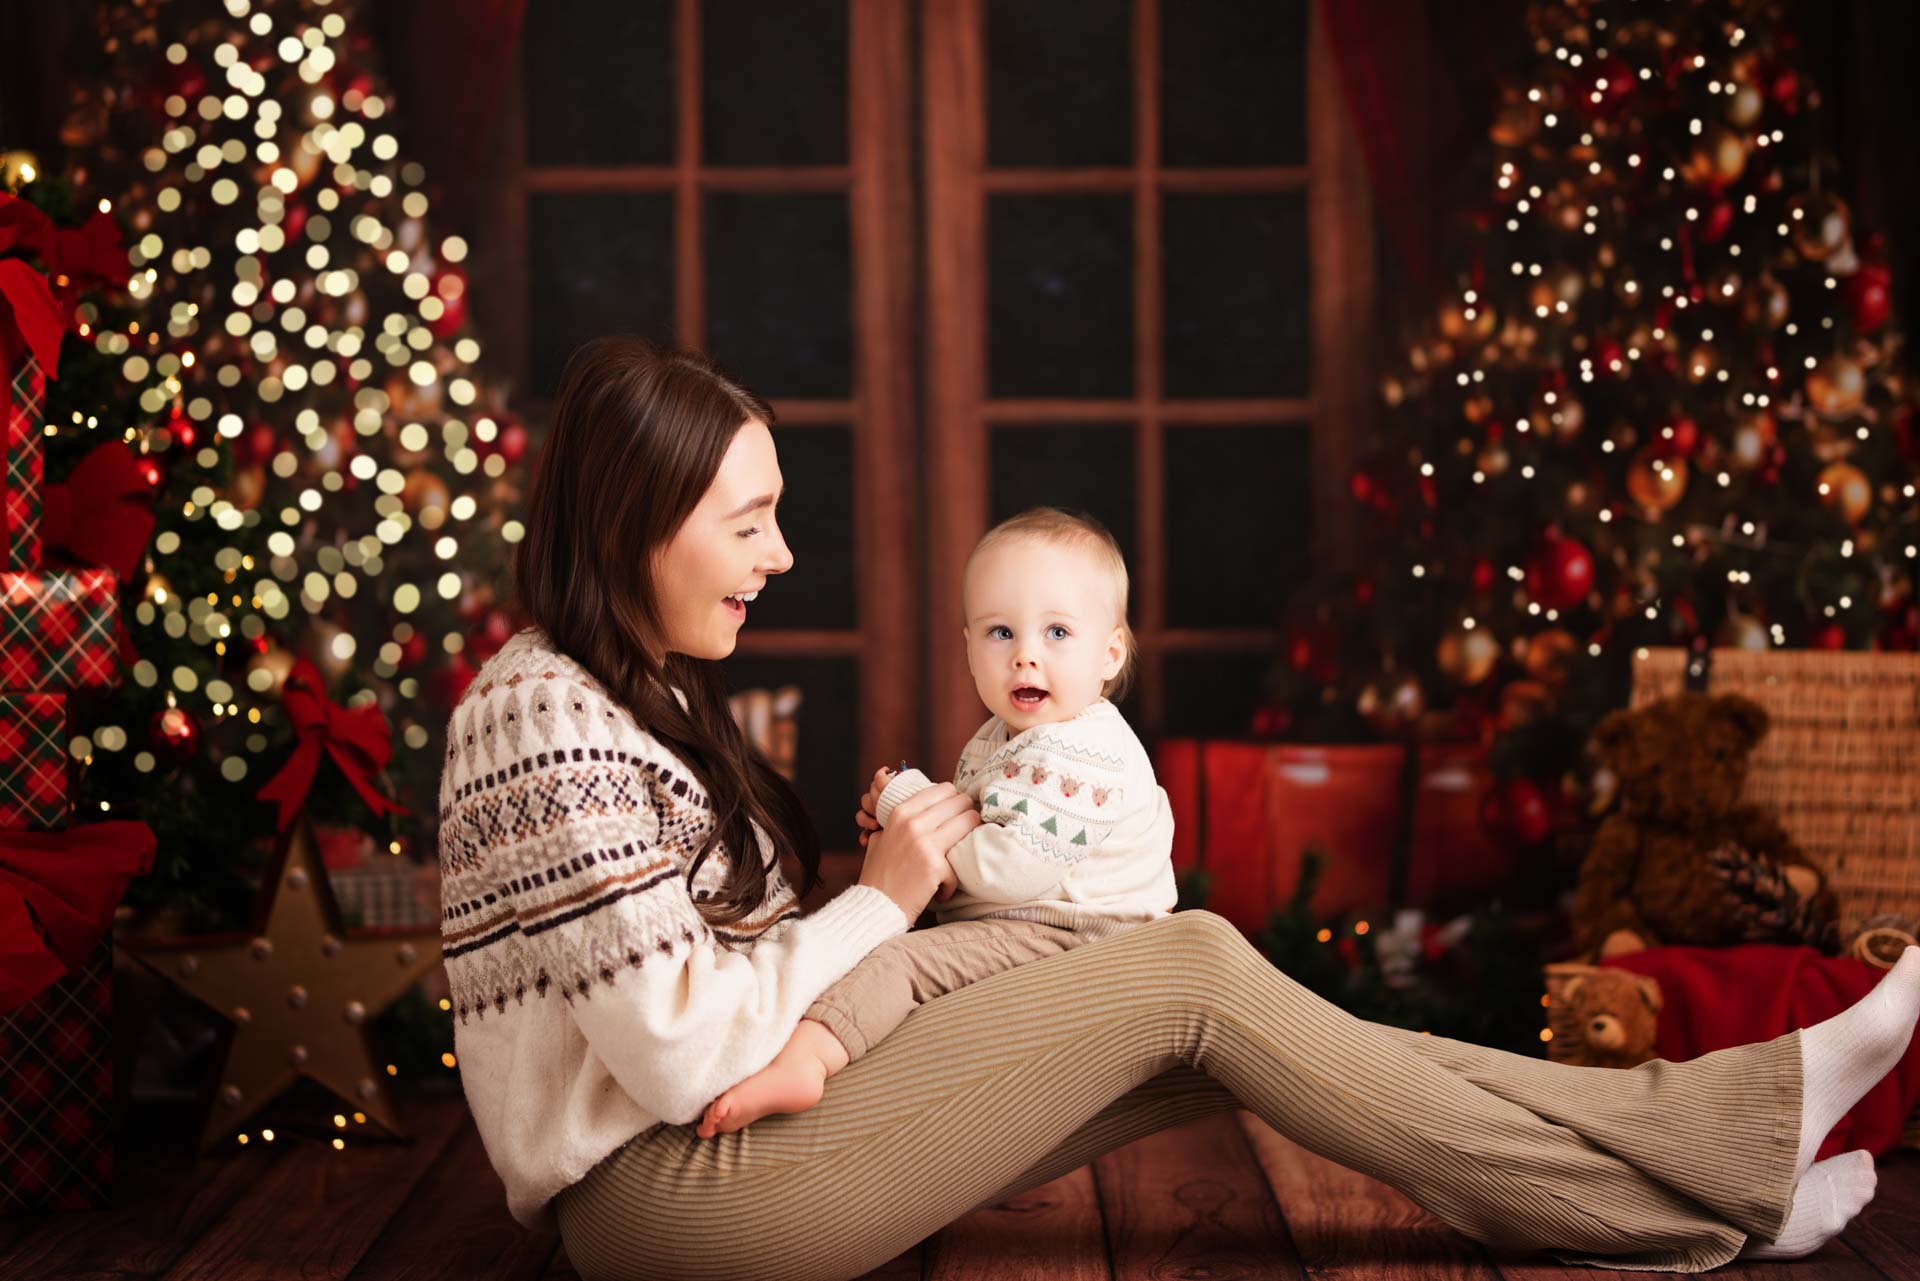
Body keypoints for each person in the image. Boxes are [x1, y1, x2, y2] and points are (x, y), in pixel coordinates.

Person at [438, 336, 1920, 1281]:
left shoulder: (628, 687)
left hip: (733, 1146)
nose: (780, 554)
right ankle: (1730, 1143)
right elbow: (689, 1041)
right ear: (638, 521)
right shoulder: (538, 715)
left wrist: (885, 917)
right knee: (1202, 966)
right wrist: (884, 897)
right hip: (676, 1204)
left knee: (1241, 1031)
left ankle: (1708, 1176)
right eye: (747, 519)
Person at [696, 508, 1178, 1137]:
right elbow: (979, 825)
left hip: (1086, 941)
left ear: (1111, 652)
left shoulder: (1083, 753)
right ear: (969, 647)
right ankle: (825, 1053)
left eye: (1057, 633)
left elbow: (1011, 868)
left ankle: (807, 1062)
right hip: (1037, 921)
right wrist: (911, 831)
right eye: (1001, 632)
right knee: (872, 938)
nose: (1026, 657)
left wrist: (914, 814)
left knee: (900, 964)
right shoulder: (1010, 735)